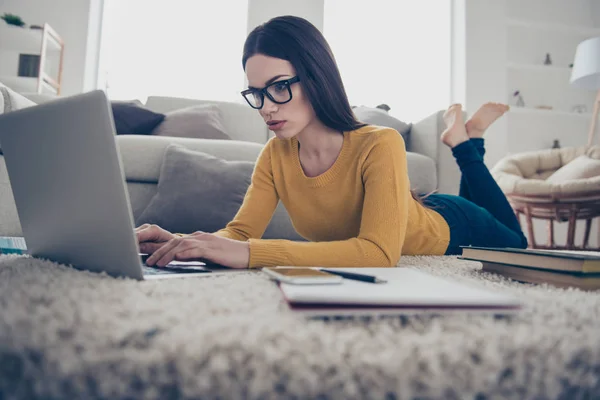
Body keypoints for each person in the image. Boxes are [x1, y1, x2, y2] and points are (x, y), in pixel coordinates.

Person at [137, 15, 527, 269]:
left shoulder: (380, 143)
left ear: (316, 75)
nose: (266, 108)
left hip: (452, 226)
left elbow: (378, 253)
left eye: (279, 87)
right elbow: (239, 233)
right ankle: (468, 140)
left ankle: (466, 145)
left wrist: (255, 254)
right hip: (418, 208)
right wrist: (184, 241)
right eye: (256, 93)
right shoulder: (275, 155)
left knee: (520, 245)